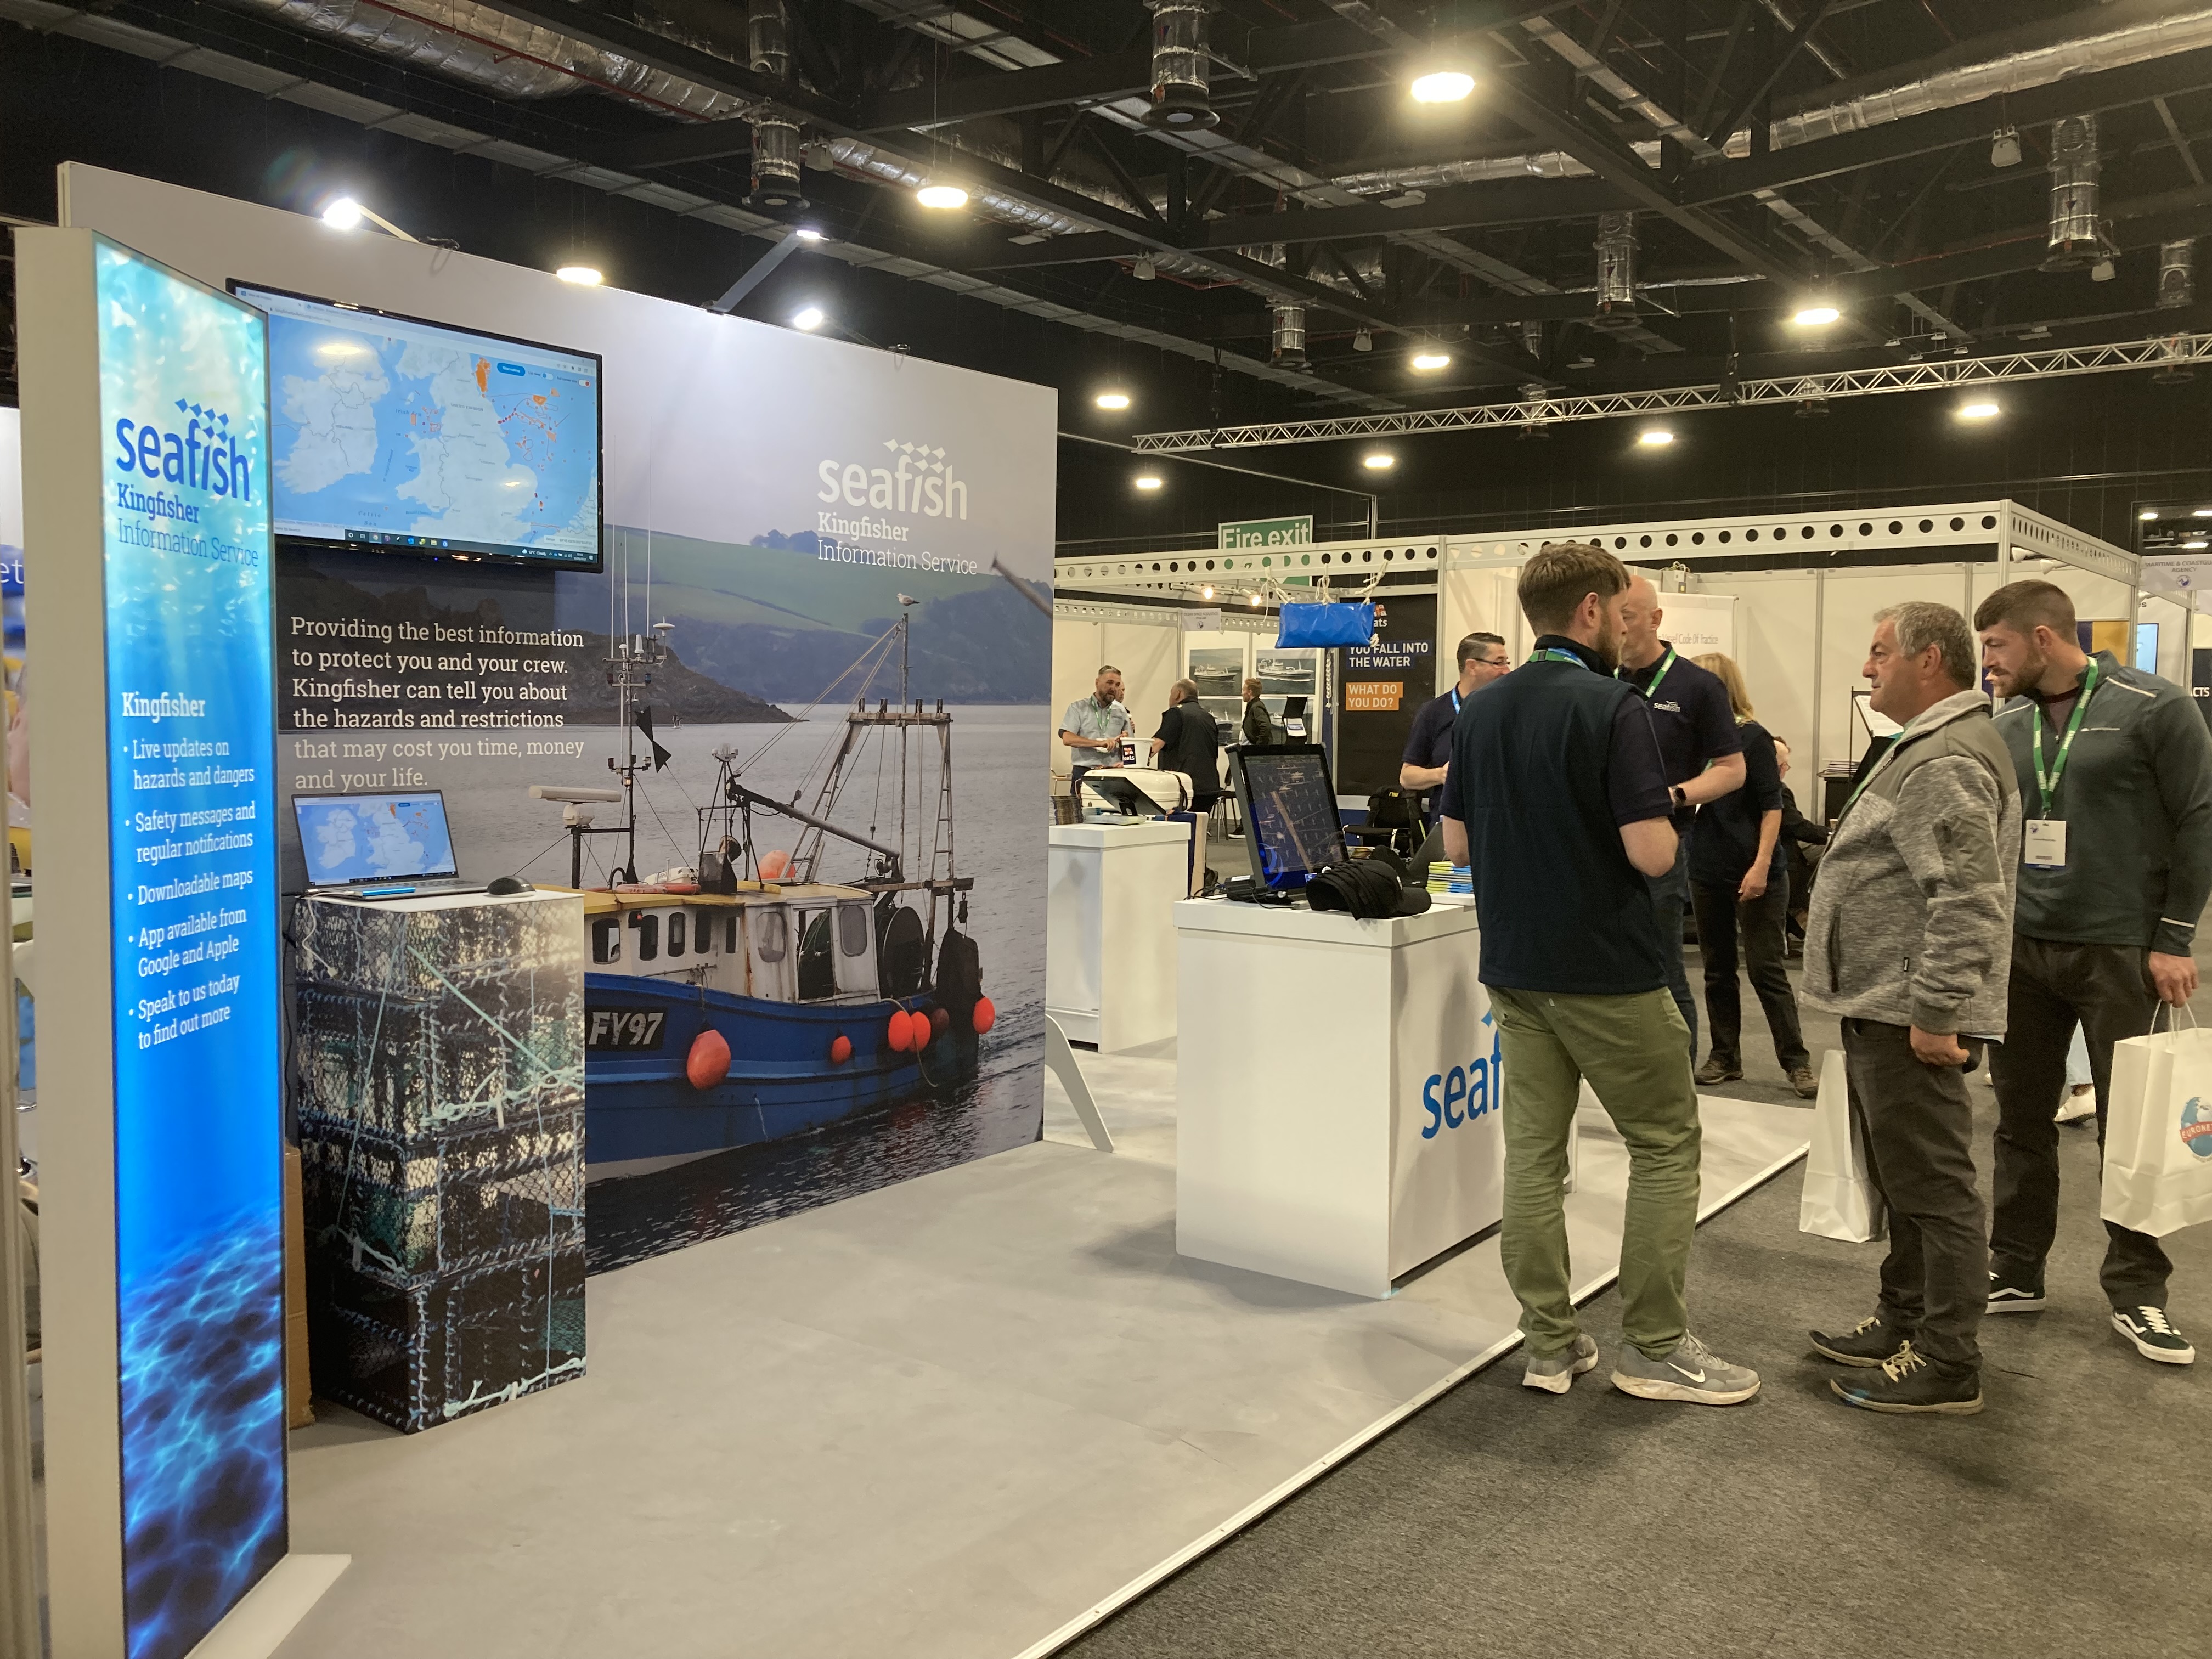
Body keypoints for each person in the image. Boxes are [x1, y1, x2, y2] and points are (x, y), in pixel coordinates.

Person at [1443, 541, 1759, 1406]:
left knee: (1535, 1158)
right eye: (1622, 611)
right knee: (1664, 1146)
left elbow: (1457, 844)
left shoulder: (1479, 711)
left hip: (1514, 965)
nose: (1632, 628)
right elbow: (1654, 853)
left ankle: (1549, 1343)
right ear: (1590, 611)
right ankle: (1653, 1345)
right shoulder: (1613, 708)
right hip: (1608, 970)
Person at [1976, 578, 2212, 1367]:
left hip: (2122, 947)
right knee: (2019, 1120)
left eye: (1998, 646)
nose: (1990, 663)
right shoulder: (2003, 720)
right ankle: (2015, 1268)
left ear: (2043, 638)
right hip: (2023, 948)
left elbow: (2198, 818)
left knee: (2131, 1127)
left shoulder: (2155, 706)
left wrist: (2175, 936)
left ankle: (2138, 1291)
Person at [1800, 602, 2019, 1414]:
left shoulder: (1944, 759)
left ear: (1929, 661)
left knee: (1934, 1188)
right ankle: (1906, 1321)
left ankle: (1948, 1359)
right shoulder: (1930, 746)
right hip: (1891, 1003)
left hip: (1910, 1012)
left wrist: (1935, 1011)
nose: (1867, 668)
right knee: (1907, 1181)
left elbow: (1967, 901)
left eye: (1879, 651)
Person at [1615, 576, 1747, 1054]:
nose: (1619, 625)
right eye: (1614, 613)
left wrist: (1674, 795)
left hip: (1661, 850)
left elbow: (1733, 770)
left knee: (1665, 972)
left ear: (1655, 619)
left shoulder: (1697, 685)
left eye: (1628, 615)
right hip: (1599, 850)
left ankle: (1680, 1087)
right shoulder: (1598, 680)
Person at [1684, 654, 1817, 1098]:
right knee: (1718, 970)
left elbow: (1772, 807)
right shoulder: (1692, 741)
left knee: (1766, 970)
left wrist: (1761, 866)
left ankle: (1796, 1063)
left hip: (1756, 871)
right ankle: (1725, 1057)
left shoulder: (1752, 738)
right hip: (1706, 870)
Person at [1399, 632, 1509, 823]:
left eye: (1507, 662)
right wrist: (1441, 774)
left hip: (1500, 824)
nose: (1507, 670)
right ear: (1472, 666)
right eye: (1498, 663)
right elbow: (1407, 777)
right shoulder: (1434, 712)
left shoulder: (1511, 709)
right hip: (1450, 827)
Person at [1771, 736, 1830, 952]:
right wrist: (1831, 834)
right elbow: (1797, 827)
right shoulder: (1778, 788)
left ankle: (1798, 916)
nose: (1786, 769)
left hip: (1783, 844)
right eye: (1785, 765)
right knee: (1829, 854)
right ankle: (1801, 912)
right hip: (1785, 850)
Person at [1150, 678, 1222, 811]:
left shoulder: (1176, 712)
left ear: (1177, 694)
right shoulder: (1208, 717)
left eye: (1171, 693)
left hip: (1185, 788)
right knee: (1199, 829)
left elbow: (1157, 744)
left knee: (1180, 830)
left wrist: (1131, 759)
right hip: (1209, 788)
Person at [1059, 665, 1132, 787]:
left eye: (1117, 685)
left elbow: (1130, 747)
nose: (1114, 688)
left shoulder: (1121, 712)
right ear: (1097, 683)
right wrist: (1099, 743)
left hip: (1113, 773)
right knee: (1081, 807)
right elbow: (1067, 739)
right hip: (1085, 772)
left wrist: (1124, 744)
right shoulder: (1078, 708)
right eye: (1110, 683)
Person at [1239, 677, 1279, 747]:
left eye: (1243, 690)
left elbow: (1266, 727)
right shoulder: (1254, 706)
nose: (1242, 693)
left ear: (1250, 692)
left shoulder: (1256, 707)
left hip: (1254, 751)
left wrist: (1259, 748)